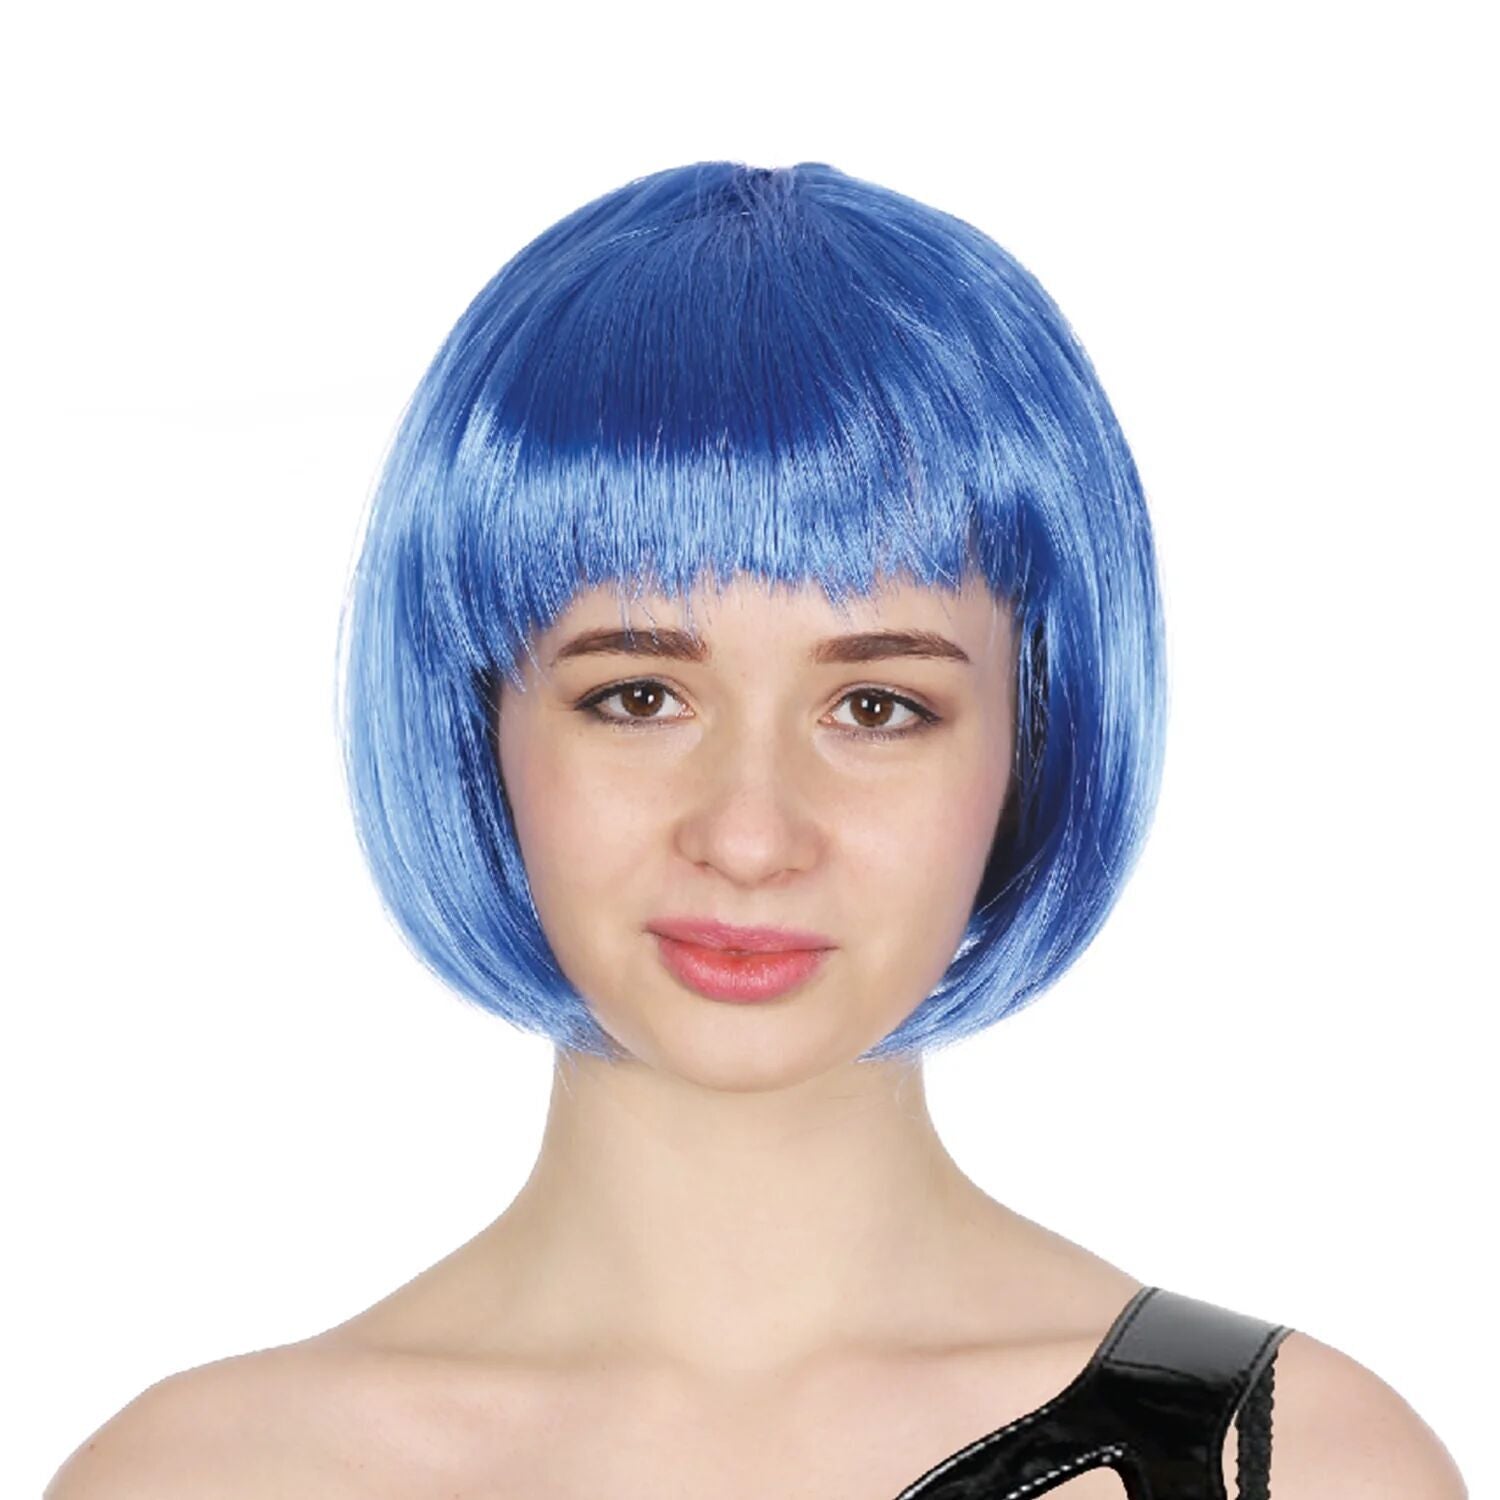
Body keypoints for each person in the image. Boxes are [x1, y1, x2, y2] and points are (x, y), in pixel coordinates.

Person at [46, 161, 1466, 1498]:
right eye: (639, 695)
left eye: (877, 708)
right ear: (477, 718)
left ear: (1036, 739)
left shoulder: (1295, 1467)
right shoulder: (205, 1475)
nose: (748, 834)